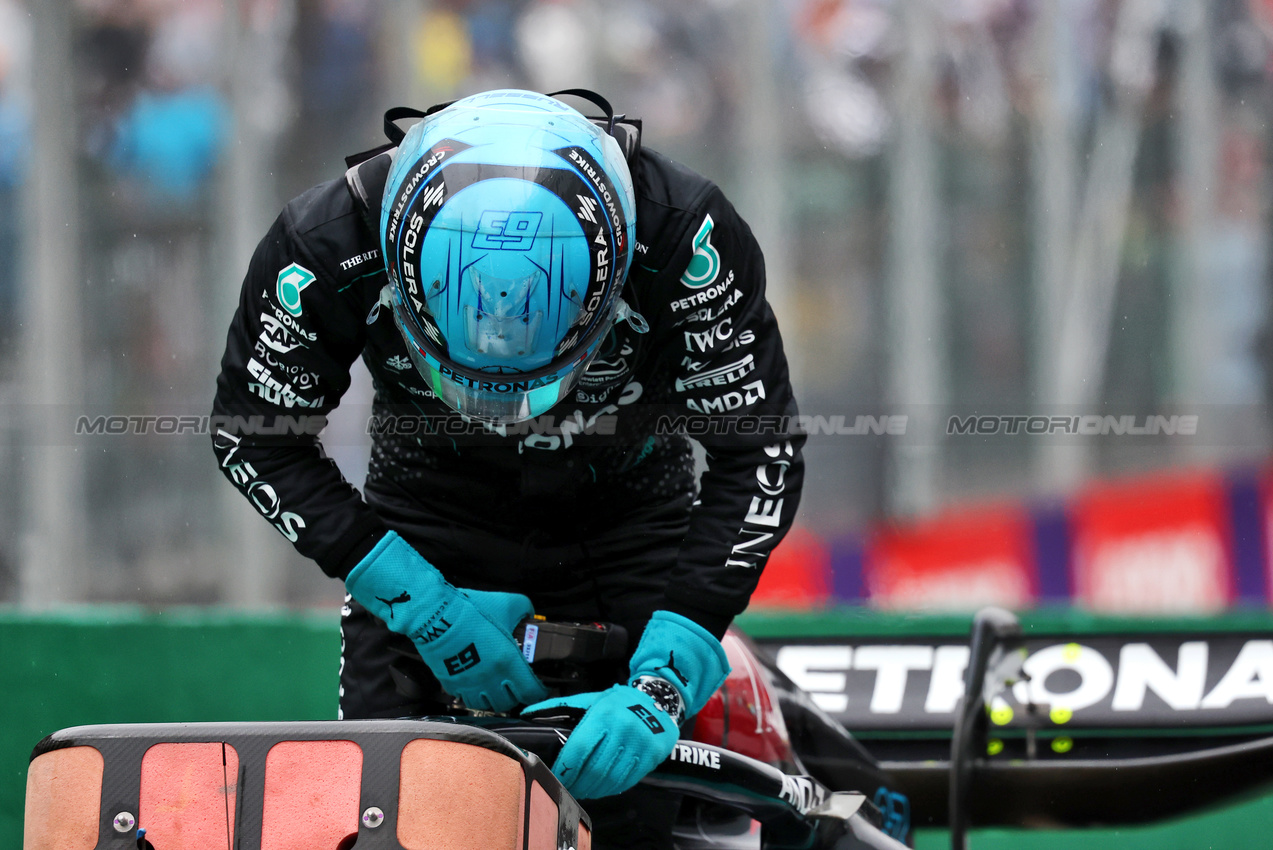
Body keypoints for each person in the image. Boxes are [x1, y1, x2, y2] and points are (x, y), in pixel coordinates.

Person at [211, 89, 804, 849]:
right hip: (426, 531)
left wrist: (664, 676)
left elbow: (759, 448)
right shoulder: (326, 243)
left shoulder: (686, 238)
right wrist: (418, 601)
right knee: (388, 824)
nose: (509, 411)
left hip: (630, 523)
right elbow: (252, 435)